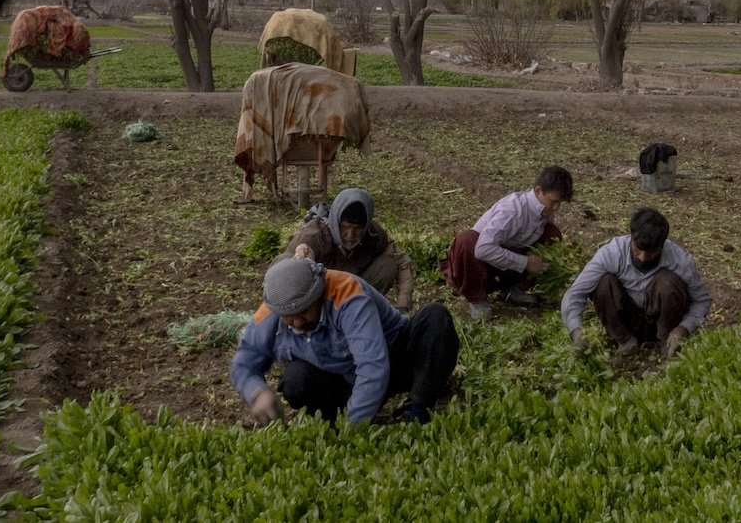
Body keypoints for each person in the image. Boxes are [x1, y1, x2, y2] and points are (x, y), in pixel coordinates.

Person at [231, 256, 458, 425]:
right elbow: (243, 364)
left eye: (305, 312)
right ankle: (330, 421)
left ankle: (417, 408)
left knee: (435, 317)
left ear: (319, 293)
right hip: (339, 380)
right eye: (289, 319)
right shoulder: (271, 310)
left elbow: (372, 366)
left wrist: (354, 427)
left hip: (392, 361)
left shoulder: (347, 293)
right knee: (295, 379)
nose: (298, 322)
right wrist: (257, 392)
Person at [561, 207, 711, 358]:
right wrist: (576, 331)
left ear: (662, 245)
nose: (643, 257)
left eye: (651, 252)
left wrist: (683, 328)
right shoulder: (612, 254)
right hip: (626, 322)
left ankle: (666, 342)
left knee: (667, 282)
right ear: (631, 237)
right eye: (638, 249)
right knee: (603, 282)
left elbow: (701, 301)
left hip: (664, 323)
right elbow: (575, 293)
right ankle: (625, 341)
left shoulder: (680, 260)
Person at [440, 165, 573, 321]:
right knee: (466, 240)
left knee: (552, 234)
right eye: (554, 201)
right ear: (538, 191)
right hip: (479, 264)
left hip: (507, 261)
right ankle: (477, 298)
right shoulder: (512, 210)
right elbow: (483, 250)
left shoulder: (545, 211)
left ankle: (512, 287)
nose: (556, 207)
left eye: (560, 203)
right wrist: (525, 262)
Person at [288, 188, 414, 311]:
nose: (350, 235)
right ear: (335, 222)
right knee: (285, 262)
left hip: (353, 292)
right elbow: (301, 257)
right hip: (318, 294)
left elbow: (402, 262)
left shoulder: (374, 235)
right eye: (345, 227)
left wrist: (403, 305)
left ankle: (361, 311)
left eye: (357, 228)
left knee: (387, 266)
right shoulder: (316, 233)